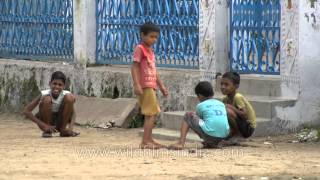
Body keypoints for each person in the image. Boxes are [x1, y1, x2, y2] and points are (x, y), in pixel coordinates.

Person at [131, 22, 169, 149]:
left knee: (151, 113)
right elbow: (134, 67)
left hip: (151, 85)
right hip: (144, 85)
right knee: (151, 113)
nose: (154, 39)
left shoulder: (150, 51)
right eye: (151, 36)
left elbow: (154, 70)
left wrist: (162, 86)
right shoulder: (140, 49)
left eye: (156, 37)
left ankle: (149, 139)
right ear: (143, 35)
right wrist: (137, 84)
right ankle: (145, 141)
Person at [169, 81, 230, 150]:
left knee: (188, 116)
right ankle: (213, 143)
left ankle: (181, 143)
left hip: (210, 136)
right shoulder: (221, 104)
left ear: (200, 95)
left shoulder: (201, 105)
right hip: (224, 136)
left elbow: (199, 122)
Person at [23, 71, 79, 138]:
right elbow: (26, 111)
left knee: (70, 98)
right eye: (54, 84)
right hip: (45, 122)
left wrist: (70, 128)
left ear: (64, 86)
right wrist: (43, 125)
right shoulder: (44, 94)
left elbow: (73, 113)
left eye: (60, 85)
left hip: (60, 122)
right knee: (47, 100)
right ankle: (47, 131)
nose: (56, 87)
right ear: (50, 83)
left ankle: (63, 130)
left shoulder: (66, 95)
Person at [220, 72, 256, 138]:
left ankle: (237, 135)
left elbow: (244, 114)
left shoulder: (237, 97)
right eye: (221, 84)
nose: (222, 87)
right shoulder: (225, 99)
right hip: (240, 125)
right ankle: (231, 133)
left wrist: (231, 107)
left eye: (226, 84)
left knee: (227, 111)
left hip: (248, 128)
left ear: (236, 86)